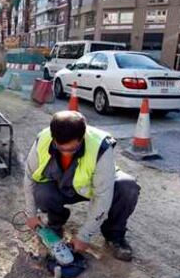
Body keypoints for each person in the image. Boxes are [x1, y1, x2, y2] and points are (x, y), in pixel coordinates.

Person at [24, 111, 140, 262]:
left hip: (91, 186)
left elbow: (103, 195)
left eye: (71, 150)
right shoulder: (43, 139)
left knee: (128, 187)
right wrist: (31, 215)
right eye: (60, 148)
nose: (66, 154)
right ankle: (55, 223)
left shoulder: (101, 147)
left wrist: (84, 235)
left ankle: (114, 235)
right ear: (54, 138)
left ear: (82, 138)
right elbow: (29, 177)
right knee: (42, 191)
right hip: (61, 183)